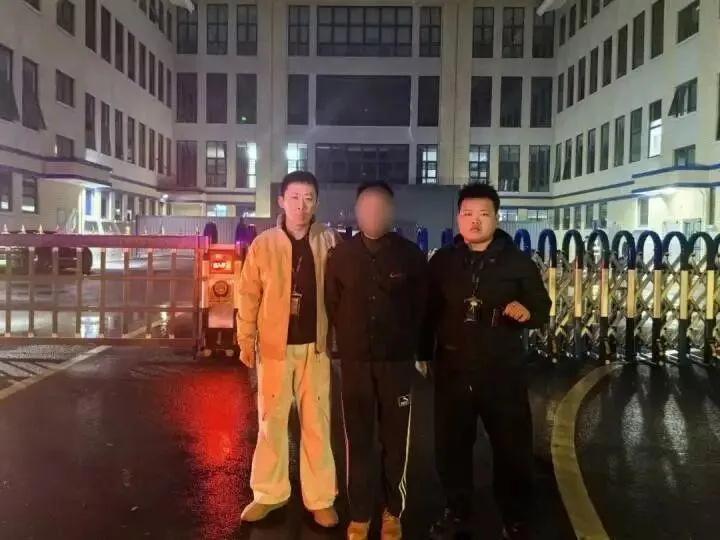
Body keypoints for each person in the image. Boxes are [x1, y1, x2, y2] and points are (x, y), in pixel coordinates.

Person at [421, 183, 551, 540]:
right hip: (453, 368)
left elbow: (542, 307)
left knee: (512, 448)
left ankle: (514, 516)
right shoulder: (443, 261)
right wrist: (423, 353)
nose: (474, 221)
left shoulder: (517, 262)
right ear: (458, 218)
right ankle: (456, 509)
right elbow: (428, 311)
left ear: (496, 217)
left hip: (502, 371)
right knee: (451, 447)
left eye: (483, 214)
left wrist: (528, 312)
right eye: (467, 214)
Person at [325, 181, 428, 540]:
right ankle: (359, 513)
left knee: (395, 441)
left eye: (381, 207)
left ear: (392, 212)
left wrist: (420, 352)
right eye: (366, 208)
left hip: (396, 363)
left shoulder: (410, 256)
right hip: (355, 363)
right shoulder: (341, 256)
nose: (373, 214)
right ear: (356, 212)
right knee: (357, 441)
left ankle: (392, 511)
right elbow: (332, 304)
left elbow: (422, 308)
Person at [237, 171, 339, 528]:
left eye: (308, 198)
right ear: (281, 201)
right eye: (294, 197)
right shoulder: (263, 244)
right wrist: (245, 338)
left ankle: (321, 498)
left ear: (316, 202)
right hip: (274, 349)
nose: (301, 205)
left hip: (316, 349)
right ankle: (269, 493)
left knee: (317, 423)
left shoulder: (329, 240)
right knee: (271, 422)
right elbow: (248, 294)